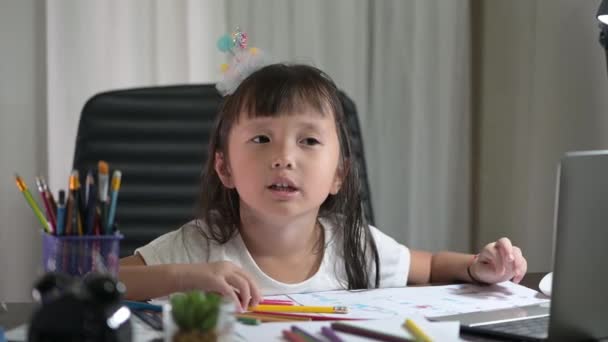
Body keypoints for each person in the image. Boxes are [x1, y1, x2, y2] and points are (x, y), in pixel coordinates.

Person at [119, 63, 527, 311]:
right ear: (224, 168)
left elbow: (433, 267)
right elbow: (94, 279)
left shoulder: (353, 244)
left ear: (339, 174)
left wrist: (478, 266)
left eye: (309, 141)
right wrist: (185, 277)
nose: (284, 158)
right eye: (261, 139)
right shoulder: (200, 247)